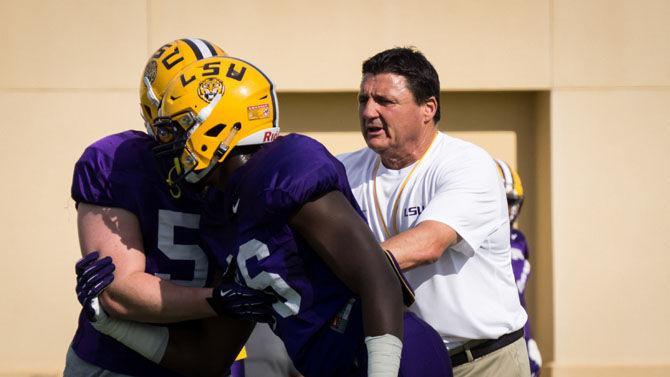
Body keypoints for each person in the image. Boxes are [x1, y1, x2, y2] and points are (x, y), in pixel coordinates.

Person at [81, 55, 452, 377]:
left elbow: (379, 277)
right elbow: (208, 361)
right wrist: (112, 323)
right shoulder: (220, 215)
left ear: (216, 128)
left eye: (176, 131)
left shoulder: (284, 170)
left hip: (395, 359)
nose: (167, 147)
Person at [66, 39, 273, 377]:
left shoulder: (257, 168)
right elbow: (119, 294)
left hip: (215, 353)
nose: (194, 134)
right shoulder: (115, 161)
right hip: (119, 360)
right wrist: (218, 298)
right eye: (179, 121)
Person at [337, 47, 530, 377]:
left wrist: (330, 270)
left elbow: (429, 244)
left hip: (481, 361)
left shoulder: (467, 164)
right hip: (402, 362)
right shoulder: (343, 169)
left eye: (385, 101)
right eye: (363, 99)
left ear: (428, 108)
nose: (369, 112)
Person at [495, 159, 542, 377]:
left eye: (509, 201)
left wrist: (529, 338)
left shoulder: (516, 241)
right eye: (499, 200)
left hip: (511, 338)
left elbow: (514, 291)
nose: (506, 209)